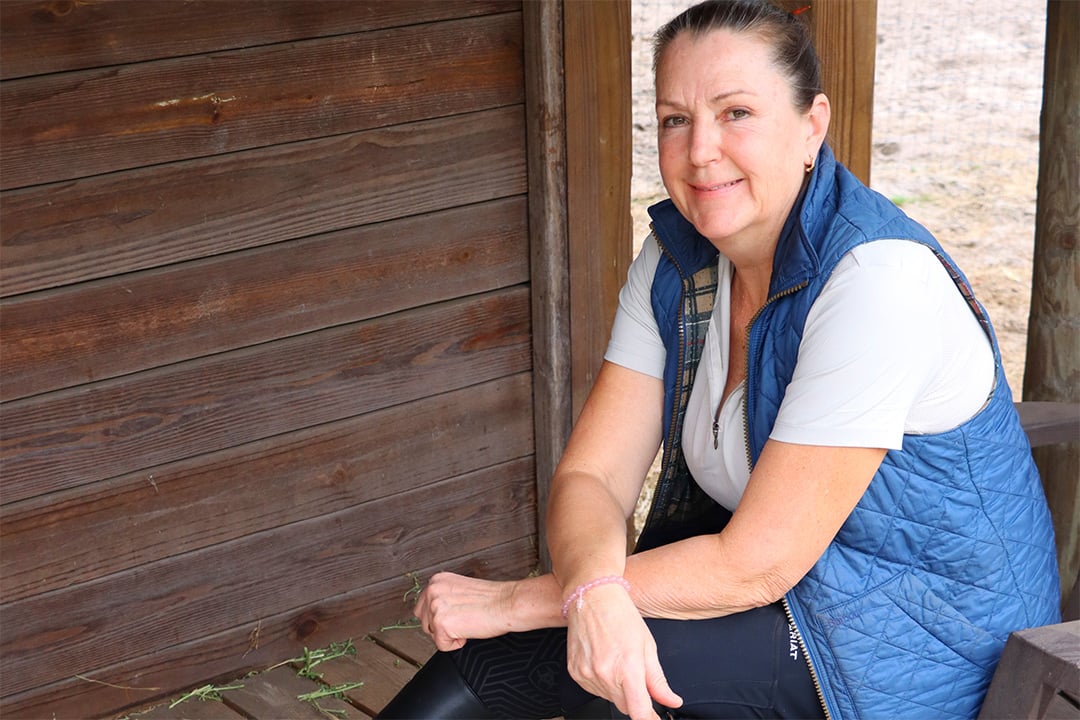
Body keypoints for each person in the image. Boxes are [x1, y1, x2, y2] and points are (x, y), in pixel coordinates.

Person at [375, 1, 1061, 718]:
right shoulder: (678, 261)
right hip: (791, 593)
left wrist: (523, 601)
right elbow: (592, 476)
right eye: (675, 119)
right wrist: (591, 596)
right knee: (549, 656)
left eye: (736, 113)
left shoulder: (876, 279)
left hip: (920, 641)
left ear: (811, 127)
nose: (700, 150)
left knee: (602, 670)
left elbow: (757, 565)